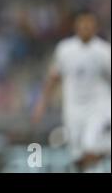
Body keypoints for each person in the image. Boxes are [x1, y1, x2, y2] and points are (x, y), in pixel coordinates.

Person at [32, 10, 111, 172]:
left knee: (91, 143)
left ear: (95, 26)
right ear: (76, 26)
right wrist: (42, 104)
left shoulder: (103, 51)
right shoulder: (65, 49)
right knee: (77, 154)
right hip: (73, 108)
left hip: (98, 106)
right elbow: (54, 77)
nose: (85, 27)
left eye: (89, 24)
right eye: (82, 24)